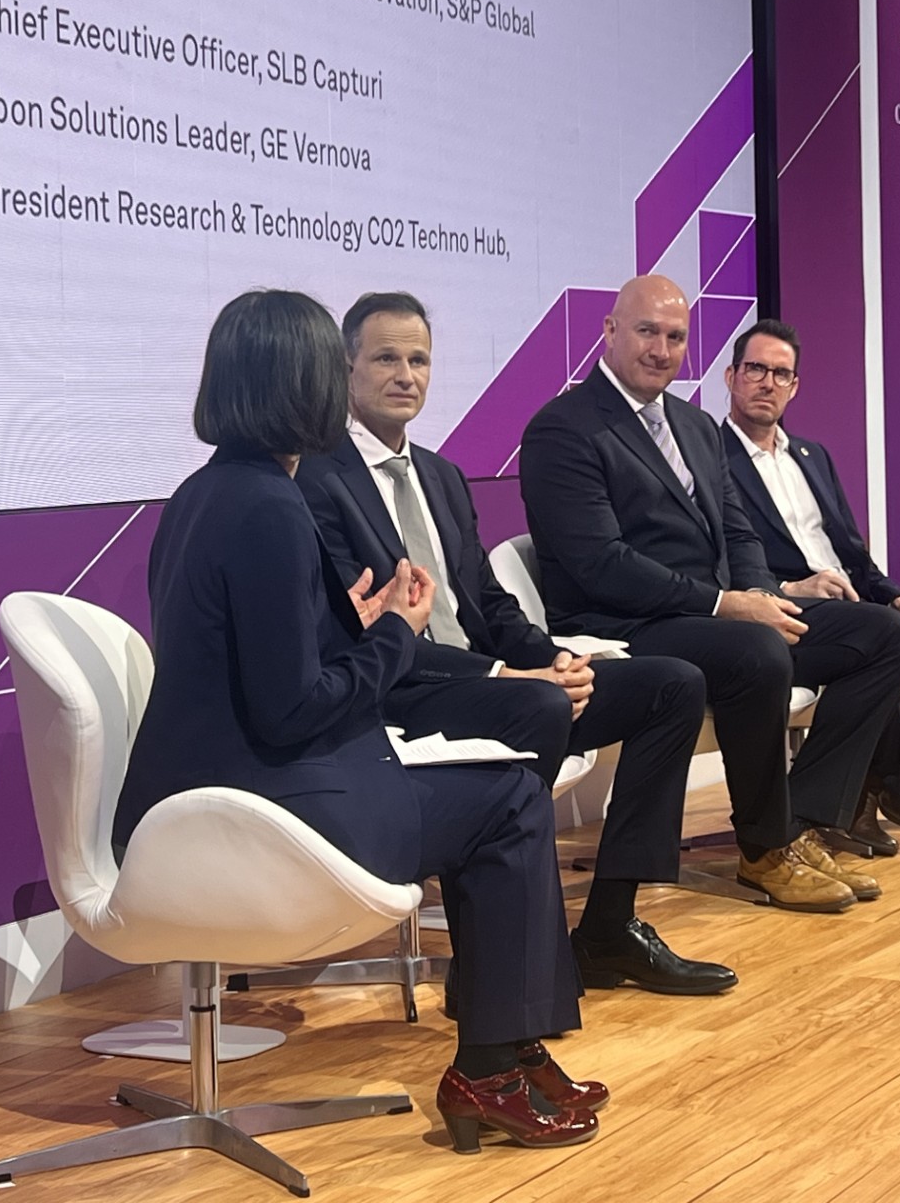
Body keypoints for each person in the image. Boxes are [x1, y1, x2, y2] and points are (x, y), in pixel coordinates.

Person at [111, 289, 601, 1153]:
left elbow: (260, 658)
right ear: (304, 383)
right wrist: (396, 635)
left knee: (499, 792)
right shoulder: (270, 507)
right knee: (510, 802)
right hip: (262, 802)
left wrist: (360, 624)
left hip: (215, 787)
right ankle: (494, 1064)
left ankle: (516, 1049)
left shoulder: (204, 493)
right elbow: (292, 709)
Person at [300, 291, 732, 996]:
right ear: (346, 369)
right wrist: (507, 675)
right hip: (402, 690)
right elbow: (361, 630)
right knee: (539, 707)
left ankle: (609, 926)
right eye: (385, 359)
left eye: (419, 360)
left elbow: (487, 601)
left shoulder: (440, 475)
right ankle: (500, 956)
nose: (406, 375)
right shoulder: (317, 480)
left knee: (671, 685)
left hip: (492, 678)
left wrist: (551, 658)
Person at [518, 274, 900, 914]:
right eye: (646, 332)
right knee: (756, 651)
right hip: (623, 621)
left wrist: (761, 593)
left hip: (721, 613)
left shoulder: (695, 424)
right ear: (610, 332)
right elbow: (601, 564)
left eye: (675, 337)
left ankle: (802, 818)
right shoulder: (563, 428)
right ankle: (764, 848)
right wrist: (725, 605)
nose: (661, 350)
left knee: (886, 635)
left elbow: (736, 531)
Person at [720, 320, 900, 855]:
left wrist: (898, 597)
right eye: (755, 369)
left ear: (794, 386)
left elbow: (852, 554)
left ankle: (864, 780)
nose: (767, 382)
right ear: (731, 376)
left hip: (860, 610)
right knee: (881, 644)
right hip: (788, 619)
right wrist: (792, 585)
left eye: (781, 373)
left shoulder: (811, 456)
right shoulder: (712, 458)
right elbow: (721, 557)